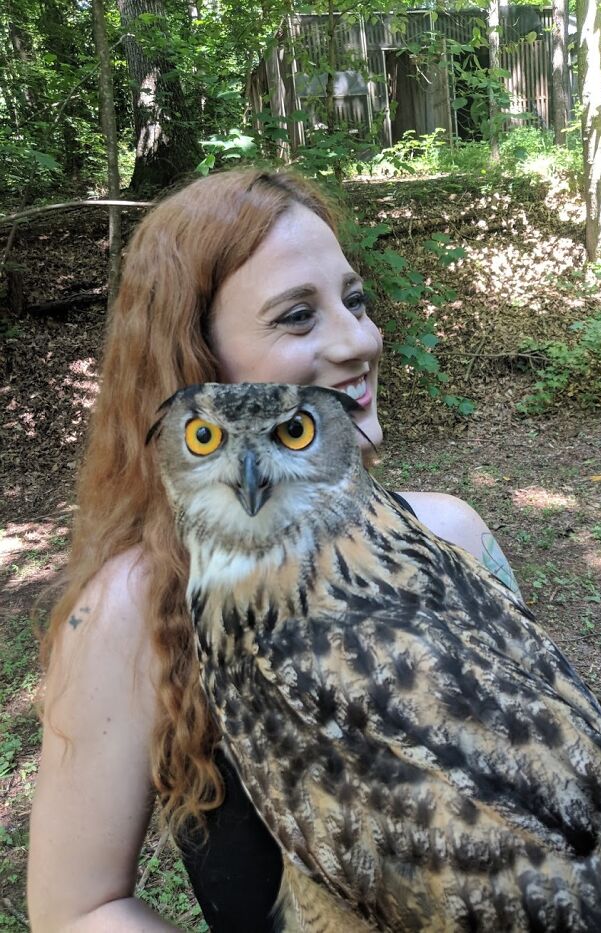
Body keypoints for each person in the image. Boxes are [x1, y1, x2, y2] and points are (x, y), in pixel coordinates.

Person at [27, 167, 520, 931]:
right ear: (200, 369)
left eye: (353, 300)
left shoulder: (454, 535)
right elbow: (77, 905)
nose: (360, 338)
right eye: (298, 316)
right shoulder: (128, 611)